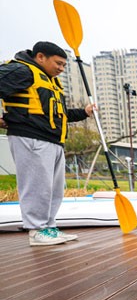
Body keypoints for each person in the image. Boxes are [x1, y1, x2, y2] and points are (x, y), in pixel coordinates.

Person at [0, 41, 95, 246]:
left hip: (53, 140)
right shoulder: (22, 71)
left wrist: (84, 113)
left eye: (64, 66)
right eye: (58, 64)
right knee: (37, 186)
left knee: (53, 188)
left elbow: (60, 113)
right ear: (41, 57)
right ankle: (36, 230)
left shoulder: (50, 81)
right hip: (31, 137)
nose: (61, 69)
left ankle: (48, 227)